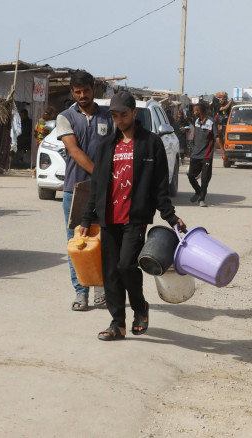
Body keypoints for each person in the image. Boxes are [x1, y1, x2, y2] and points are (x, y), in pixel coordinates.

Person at [76, 91, 187, 341]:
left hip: (134, 217)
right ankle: (118, 323)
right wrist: (86, 219)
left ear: (134, 113)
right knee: (111, 273)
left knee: (126, 265)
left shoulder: (151, 143)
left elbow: (160, 186)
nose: (119, 120)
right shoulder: (106, 146)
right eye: (115, 115)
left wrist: (170, 216)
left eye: (123, 114)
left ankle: (139, 307)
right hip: (108, 217)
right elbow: (97, 185)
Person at [56, 70, 113, 311]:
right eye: (77, 92)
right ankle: (81, 293)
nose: (82, 96)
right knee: (77, 243)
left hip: (105, 190)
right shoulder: (65, 117)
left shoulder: (108, 117)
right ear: (72, 93)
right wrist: (100, 176)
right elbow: (74, 151)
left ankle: (101, 288)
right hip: (75, 190)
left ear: (93, 90)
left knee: (103, 240)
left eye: (86, 91)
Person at [188, 102, 225, 207]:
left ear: (199, 111)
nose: (194, 112)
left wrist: (223, 152)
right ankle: (198, 191)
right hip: (195, 154)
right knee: (191, 176)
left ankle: (201, 199)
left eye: (195, 110)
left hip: (206, 155)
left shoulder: (211, 122)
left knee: (205, 179)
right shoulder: (196, 121)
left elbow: (217, 137)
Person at [33, 107, 56, 173]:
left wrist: (37, 138)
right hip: (47, 143)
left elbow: (35, 131)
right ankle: (39, 171)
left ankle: (36, 171)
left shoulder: (39, 120)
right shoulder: (51, 122)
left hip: (39, 142)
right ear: (51, 114)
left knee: (40, 156)